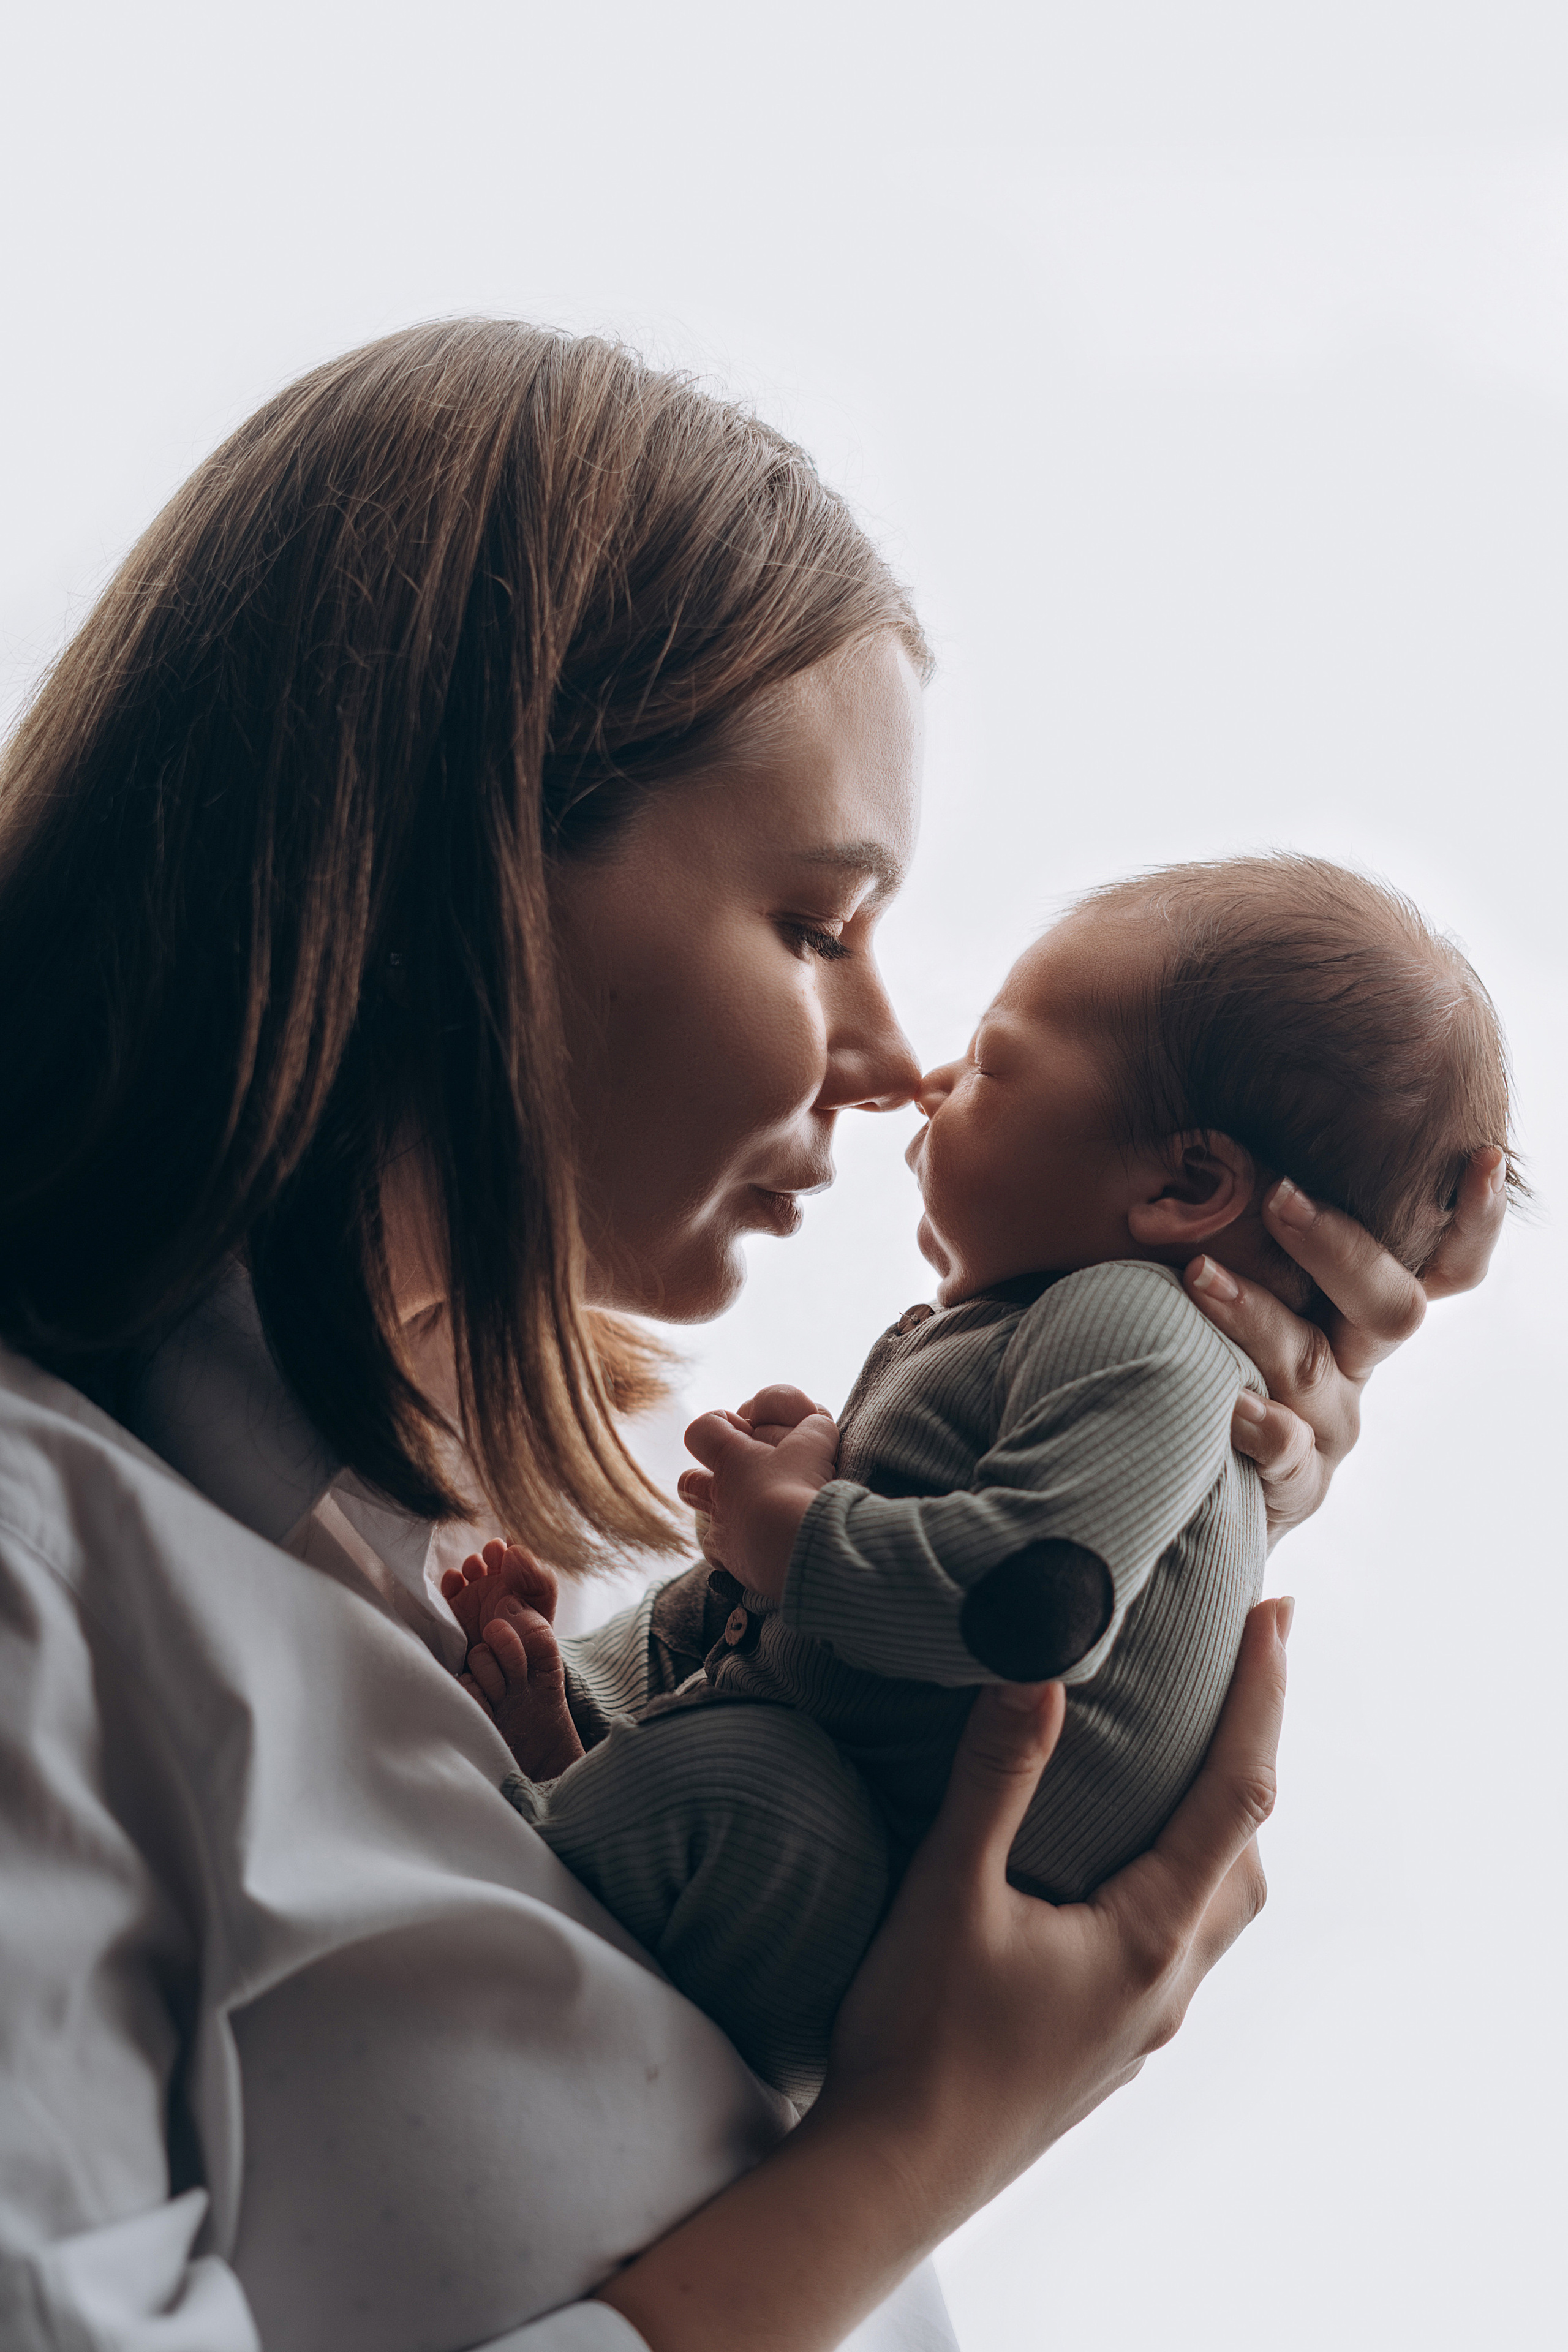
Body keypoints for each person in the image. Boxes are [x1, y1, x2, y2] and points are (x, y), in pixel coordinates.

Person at [0, 320, 1504, 2352]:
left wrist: (1179, 1490)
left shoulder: (462, 1582)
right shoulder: (43, 1585)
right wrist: (912, 2155)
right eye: (815, 925)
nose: (894, 1058)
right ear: (462, 865)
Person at [443, 854, 1520, 2105]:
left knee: (752, 1781)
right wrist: (823, 1469)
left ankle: (547, 1818)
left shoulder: (1142, 1326)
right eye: (814, 931)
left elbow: (1028, 1600)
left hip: (871, 1884)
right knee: (704, 1626)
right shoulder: (1073, 1324)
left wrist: (793, 1528)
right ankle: (579, 1720)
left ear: (1186, 1187)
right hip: (853, 1748)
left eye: (994, 1061)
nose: (928, 1080)